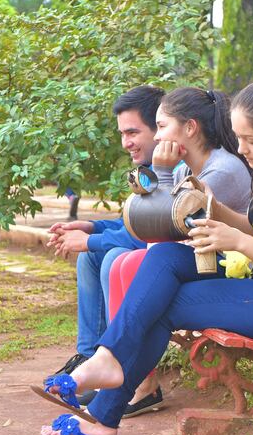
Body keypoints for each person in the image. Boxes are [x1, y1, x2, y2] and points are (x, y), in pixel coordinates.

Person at [35, 79, 253, 435]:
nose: (242, 149)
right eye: (238, 137)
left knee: (164, 305)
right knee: (168, 256)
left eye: (251, 140)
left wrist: (238, 243)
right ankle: (106, 363)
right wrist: (211, 206)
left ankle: (105, 410)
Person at [102, 86, 253, 415]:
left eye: (162, 126)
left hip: (229, 268)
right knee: (119, 263)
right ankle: (116, 369)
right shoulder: (186, 168)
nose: (156, 136)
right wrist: (162, 174)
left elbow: (165, 227)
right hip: (194, 260)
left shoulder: (222, 171)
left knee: (129, 266)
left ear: (190, 128)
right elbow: (150, 223)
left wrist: (162, 172)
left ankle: (140, 382)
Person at [46, 85, 164, 381]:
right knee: (91, 258)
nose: (126, 143)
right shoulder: (150, 168)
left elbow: (148, 235)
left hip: (178, 264)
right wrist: (91, 227)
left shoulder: (169, 170)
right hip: (159, 259)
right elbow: (134, 225)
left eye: (132, 132)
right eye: (122, 134)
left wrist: (89, 240)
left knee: (110, 256)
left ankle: (116, 364)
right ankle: (88, 357)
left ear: (159, 129)